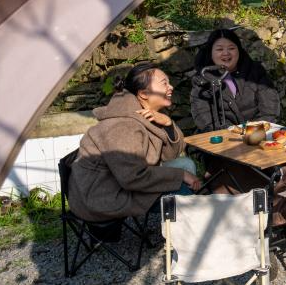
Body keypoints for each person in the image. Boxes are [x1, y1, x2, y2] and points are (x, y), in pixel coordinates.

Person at [68, 62, 200, 223]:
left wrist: (167, 124)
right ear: (144, 94)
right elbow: (133, 177)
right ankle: (183, 240)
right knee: (184, 193)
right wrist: (180, 176)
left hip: (122, 181)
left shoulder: (145, 114)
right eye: (164, 83)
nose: (171, 87)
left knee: (185, 164)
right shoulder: (123, 126)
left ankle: (181, 228)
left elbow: (170, 154)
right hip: (104, 195)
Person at [190, 29, 280, 132]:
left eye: (231, 48)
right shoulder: (202, 80)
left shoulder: (255, 71)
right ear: (210, 52)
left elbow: (270, 107)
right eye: (219, 49)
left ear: (239, 50)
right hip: (222, 139)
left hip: (257, 134)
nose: (226, 53)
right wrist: (234, 132)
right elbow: (203, 116)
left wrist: (253, 130)